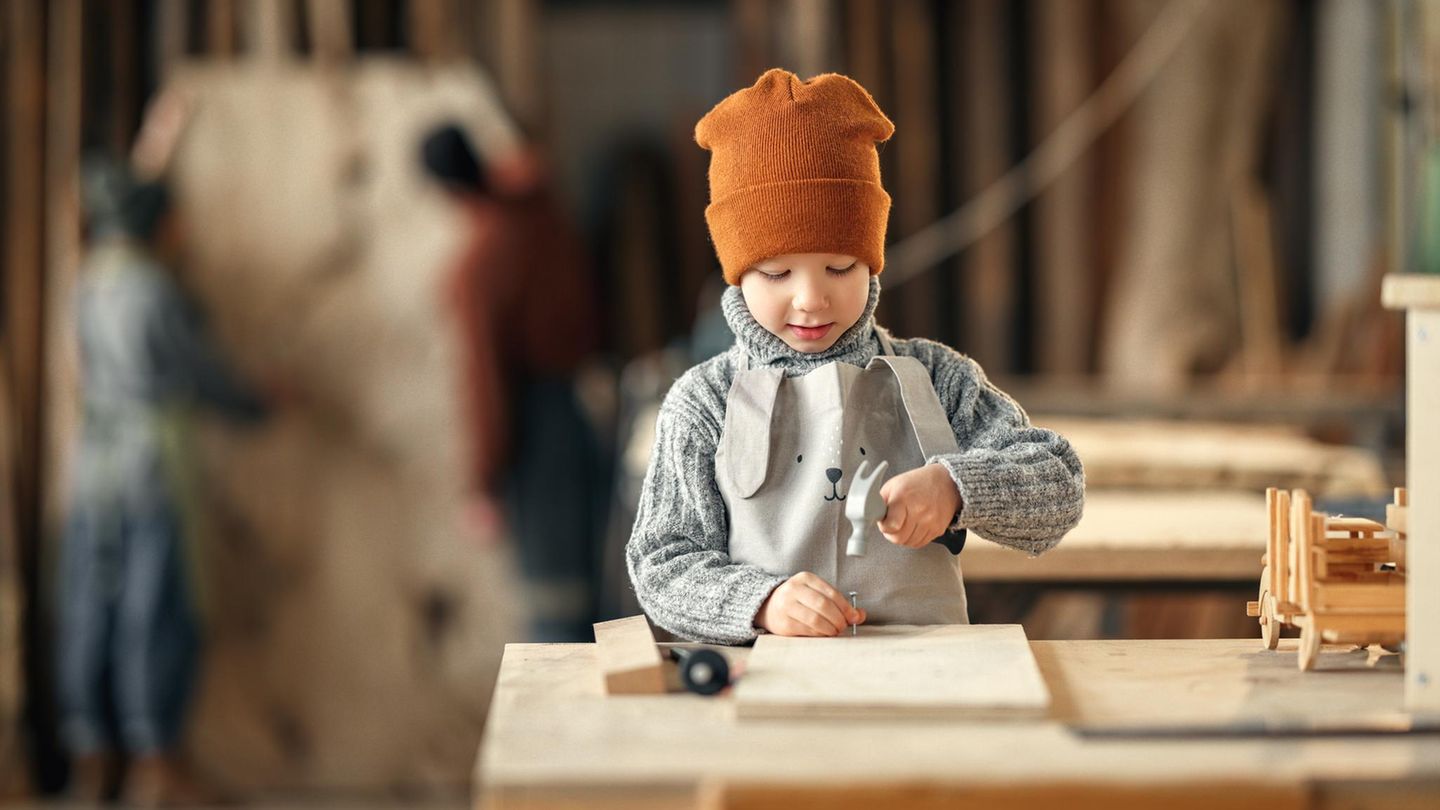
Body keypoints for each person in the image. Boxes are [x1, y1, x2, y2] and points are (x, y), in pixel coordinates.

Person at [625, 69, 1085, 644]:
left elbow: (1059, 485)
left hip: (928, 690)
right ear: (737, 274)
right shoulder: (705, 402)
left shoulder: (938, 379)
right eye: (776, 272)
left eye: (840, 268)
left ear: (873, 262)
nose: (811, 298)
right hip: (772, 701)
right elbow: (662, 562)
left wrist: (957, 488)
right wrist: (759, 602)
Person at [58, 156, 269, 805]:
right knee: (157, 610)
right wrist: (258, 403)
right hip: (151, 466)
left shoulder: (86, 282)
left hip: (94, 466)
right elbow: (201, 376)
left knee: (91, 605)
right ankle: (156, 761)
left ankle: (91, 751)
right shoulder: (153, 289)